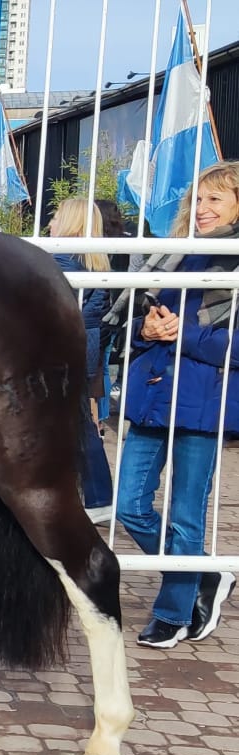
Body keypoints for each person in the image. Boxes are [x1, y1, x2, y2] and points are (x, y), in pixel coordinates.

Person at [116, 160, 239, 649]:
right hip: (153, 393)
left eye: (216, 199)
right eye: (199, 199)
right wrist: (144, 330)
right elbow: (126, 321)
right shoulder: (171, 255)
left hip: (203, 405)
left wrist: (180, 332)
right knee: (129, 506)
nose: (203, 208)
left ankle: (173, 612)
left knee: (188, 515)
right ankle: (202, 575)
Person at [47, 197, 113, 520]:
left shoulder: (61, 261)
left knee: (70, 421)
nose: (50, 224)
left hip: (61, 346)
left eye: (56, 217)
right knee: (77, 420)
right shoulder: (94, 262)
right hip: (86, 346)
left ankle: (97, 496)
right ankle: (97, 495)